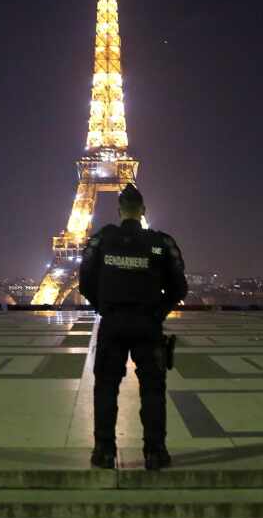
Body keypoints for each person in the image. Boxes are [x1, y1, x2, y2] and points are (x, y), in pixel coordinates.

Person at [79, 183, 188, 470]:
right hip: (147, 324)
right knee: (152, 388)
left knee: (105, 387)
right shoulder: (161, 242)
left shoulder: (103, 239)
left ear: (119, 211)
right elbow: (179, 287)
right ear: (143, 211)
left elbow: (85, 282)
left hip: (113, 323)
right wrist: (158, 312)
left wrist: (103, 306)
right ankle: (155, 451)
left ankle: (103, 451)